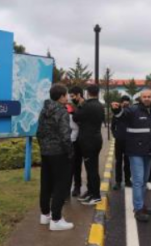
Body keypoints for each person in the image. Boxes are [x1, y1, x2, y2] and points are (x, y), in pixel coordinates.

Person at [111, 89, 151, 223]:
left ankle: (142, 205)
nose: (146, 98)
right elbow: (121, 115)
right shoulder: (133, 110)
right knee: (138, 181)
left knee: (145, 181)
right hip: (135, 152)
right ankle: (138, 209)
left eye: (149, 96)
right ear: (140, 98)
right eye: (144, 96)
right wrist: (116, 110)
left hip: (149, 151)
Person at [36, 84, 74, 231]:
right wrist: (70, 153)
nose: (68, 97)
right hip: (59, 153)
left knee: (46, 183)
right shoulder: (61, 112)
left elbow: (39, 132)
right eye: (66, 95)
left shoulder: (44, 110)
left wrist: (44, 147)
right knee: (60, 185)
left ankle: (45, 215)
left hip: (46, 152)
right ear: (61, 96)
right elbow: (65, 136)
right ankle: (56, 219)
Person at [73, 84, 105, 206]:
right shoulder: (100, 105)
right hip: (96, 139)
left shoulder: (86, 105)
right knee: (92, 168)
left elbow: (76, 117)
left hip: (88, 141)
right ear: (98, 93)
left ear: (87, 93)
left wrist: (79, 106)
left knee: (91, 169)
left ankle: (96, 196)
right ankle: (91, 192)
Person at [111, 95, 132, 190]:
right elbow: (112, 127)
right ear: (121, 103)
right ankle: (118, 182)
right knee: (118, 161)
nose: (125, 102)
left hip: (129, 141)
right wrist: (115, 134)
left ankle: (128, 181)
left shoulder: (131, 113)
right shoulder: (116, 114)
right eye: (123, 101)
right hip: (119, 141)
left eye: (127, 101)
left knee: (128, 162)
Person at [68, 86, 84, 197]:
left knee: (77, 165)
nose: (71, 98)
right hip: (71, 141)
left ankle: (77, 187)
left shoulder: (83, 106)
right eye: (70, 96)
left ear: (79, 95)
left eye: (73, 96)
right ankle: (70, 188)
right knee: (71, 166)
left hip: (79, 140)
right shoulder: (73, 106)